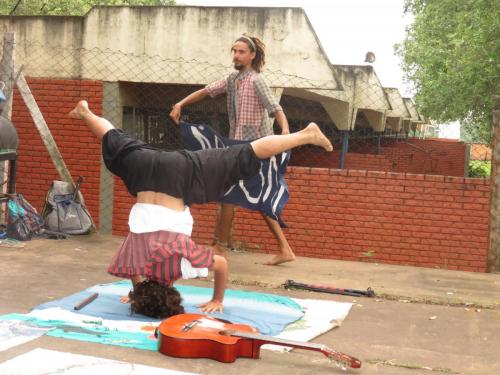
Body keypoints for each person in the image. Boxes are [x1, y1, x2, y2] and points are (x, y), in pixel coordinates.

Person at [69, 100, 332, 319]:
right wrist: (136, 294)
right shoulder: (132, 261)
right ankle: (86, 112)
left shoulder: (180, 265)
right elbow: (135, 274)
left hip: (179, 175)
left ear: (172, 290)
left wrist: (217, 299)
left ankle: (305, 135)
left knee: (244, 154)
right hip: (144, 167)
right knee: (113, 138)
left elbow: (221, 264)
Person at [170, 34, 295, 266]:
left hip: (257, 148)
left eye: (241, 52)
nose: (236, 55)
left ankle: (220, 247)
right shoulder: (232, 80)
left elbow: (276, 109)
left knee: (229, 192)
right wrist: (180, 103)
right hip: (238, 147)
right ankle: (283, 248)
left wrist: (286, 135)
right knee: (255, 197)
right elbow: (207, 91)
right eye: (234, 51)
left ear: (252, 56)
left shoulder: (257, 81)